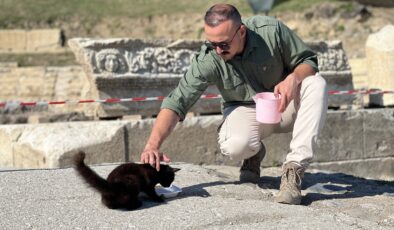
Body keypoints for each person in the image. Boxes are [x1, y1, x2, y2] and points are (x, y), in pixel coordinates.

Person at [140, 3, 328, 205]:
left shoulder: (271, 31)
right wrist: (152, 145)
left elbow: (309, 61)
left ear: (241, 31)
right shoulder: (209, 58)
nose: (218, 50)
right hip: (247, 111)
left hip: (285, 105)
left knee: (316, 83)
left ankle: (293, 170)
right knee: (235, 145)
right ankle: (254, 153)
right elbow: (177, 101)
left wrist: (294, 78)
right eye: (213, 44)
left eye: (223, 44)